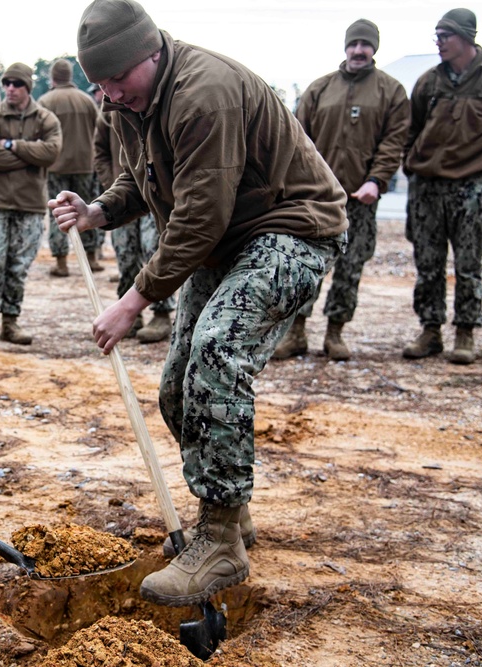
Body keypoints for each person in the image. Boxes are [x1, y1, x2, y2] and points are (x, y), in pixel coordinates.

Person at [50, 0, 346, 606]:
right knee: (177, 389)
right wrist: (99, 211)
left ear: (151, 53)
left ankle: (218, 542)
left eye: (116, 80)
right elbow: (146, 178)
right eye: (96, 83)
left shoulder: (204, 91)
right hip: (226, 244)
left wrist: (133, 300)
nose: (106, 95)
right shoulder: (129, 101)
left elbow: (200, 215)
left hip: (292, 229)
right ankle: (231, 512)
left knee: (216, 354)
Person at [272, 19, 409, 361]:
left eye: (366, 45)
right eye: (354, 44)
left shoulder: (390, 91)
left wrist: (376, 181)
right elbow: (297, 139)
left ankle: (335, 333)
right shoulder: (320, 89)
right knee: (306, 266)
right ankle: (297, 332)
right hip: (317, 201)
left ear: (374, 49)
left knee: (350, 269)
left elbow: (394, 143)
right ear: (346, 47)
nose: (359, 50)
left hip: (360, 199)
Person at [401, 8, 482, 364]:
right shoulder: (428, 81)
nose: (438, 43)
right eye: (436, 36)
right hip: (427, 188)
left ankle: (465, 333)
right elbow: (410, 129)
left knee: (468, 265)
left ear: (466, 37)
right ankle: (430, 331)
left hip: (471, 186)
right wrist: (411, 165)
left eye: (444, 36)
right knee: (428, 264)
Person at [0, 62, 61, 352]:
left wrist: (13, 145)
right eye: (6, 83)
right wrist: (31, 152)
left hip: (30, 203)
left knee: (18, 266)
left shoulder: (46, 118)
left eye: (17, 84)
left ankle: (10, 321)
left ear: (28, 87)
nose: (10, 88)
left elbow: (52, 152)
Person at [94, 95, 176, 343]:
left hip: (156, 198)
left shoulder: (159, 106)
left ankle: (161, 313)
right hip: (126, 196)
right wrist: (113, 186)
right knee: (125, 253)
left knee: (153, 249)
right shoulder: (110, 112)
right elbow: (100, 152)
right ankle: (130, 315)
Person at [38, 58, 104, 277]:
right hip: (86, 164)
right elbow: (99, 130)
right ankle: (92, 257)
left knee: (60, 212)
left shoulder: (46, 101)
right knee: (88, 210)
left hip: (56, 165)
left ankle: (61, 261)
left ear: (52, 76)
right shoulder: (86, 101)